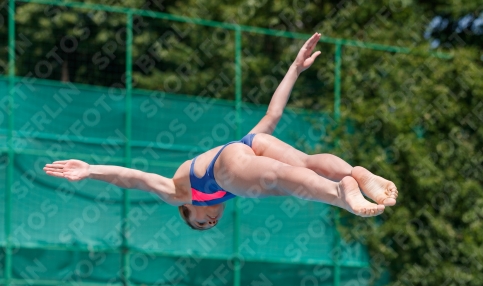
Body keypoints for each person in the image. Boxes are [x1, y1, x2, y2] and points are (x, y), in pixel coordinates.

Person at [43, 32, 398, 231]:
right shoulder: (218, 196)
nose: (209, 220)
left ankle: (340, 191)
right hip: (247, 144)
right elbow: (272, 115)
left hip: (223, 167)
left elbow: (134, 178)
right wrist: (294, 69)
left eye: (200, 223)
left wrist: (90, 170)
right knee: (302, 162)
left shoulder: (178, 193)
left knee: (281, 178)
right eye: (210, 225)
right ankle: (355, 173)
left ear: (186, 212)